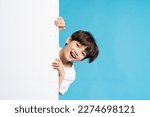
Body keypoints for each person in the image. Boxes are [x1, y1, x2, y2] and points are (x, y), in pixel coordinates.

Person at [52, 17, 99, 95]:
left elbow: (53, 96)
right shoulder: (52, 47)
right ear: (69, 40)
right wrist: (55, 25)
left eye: (83, 54)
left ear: (81, 60)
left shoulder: (71, 74)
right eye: (77, 45)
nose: (77, 52)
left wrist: (61, 75)